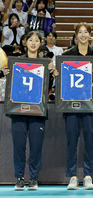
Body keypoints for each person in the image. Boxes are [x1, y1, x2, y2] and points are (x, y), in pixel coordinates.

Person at [5, 31, 55, 191]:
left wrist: (53, 73)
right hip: (18, 111)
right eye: (30, 40)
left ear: (41, 43)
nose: (33, 43)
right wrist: (6, 74)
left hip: (37, 111)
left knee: (36, 147)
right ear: (25, 42)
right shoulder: (16, 62)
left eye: (36, 40)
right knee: (19, 146)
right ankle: (19, 178)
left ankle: (33, 179)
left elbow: (48, 87)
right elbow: (11, 87)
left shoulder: (45, 63)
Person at [61, 23, 93, 190]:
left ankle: (88, 175)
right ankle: (73, 176)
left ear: (90, 35)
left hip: (92, 105)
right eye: (80, 32)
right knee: (71, 141)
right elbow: (62, 79)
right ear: (76, 35)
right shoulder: (67, 55)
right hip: (71, 105)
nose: (83, 35)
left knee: (90, 141)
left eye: (86, 32)